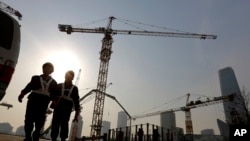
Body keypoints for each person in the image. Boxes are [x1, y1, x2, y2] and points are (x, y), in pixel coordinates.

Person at [18, 62, 57, 141]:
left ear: (51, 71)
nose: (46, 69)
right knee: (29, 119)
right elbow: (29, 86)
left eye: (49, 68)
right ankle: (28, 137)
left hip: (44, 102)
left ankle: (36, 135)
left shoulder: (54, 83)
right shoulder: (35, 78)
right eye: (45, 67)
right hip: (33, 100)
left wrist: (54, 102)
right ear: (43, 69)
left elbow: (54, 94)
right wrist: (22, 94)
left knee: (39, 120)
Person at [50, 70, 80, 141]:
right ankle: (53, 138)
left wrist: (77, 113)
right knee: (55, 122)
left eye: (70, 76)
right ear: (65, 76)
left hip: (67, 107)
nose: (69, 77)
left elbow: (76, 100)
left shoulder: (74, 88)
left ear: (73, 78)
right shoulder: (59, 85)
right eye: (67, 75)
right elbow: (53, 95)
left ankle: (63, 138)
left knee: (64, 123)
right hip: (58, 105)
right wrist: (54, 100)